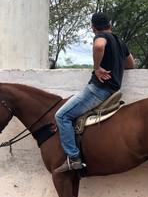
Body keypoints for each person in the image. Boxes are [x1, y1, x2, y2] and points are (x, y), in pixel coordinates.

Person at [54, 12, 135, 173]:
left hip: (98, 89)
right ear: (110, 25)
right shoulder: (120, 42)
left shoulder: (101, 36)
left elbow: (99, 46)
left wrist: (97, 68)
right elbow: (131, 64)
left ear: (93, 28)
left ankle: (73, 157)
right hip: (112, 88)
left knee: (62, 116)